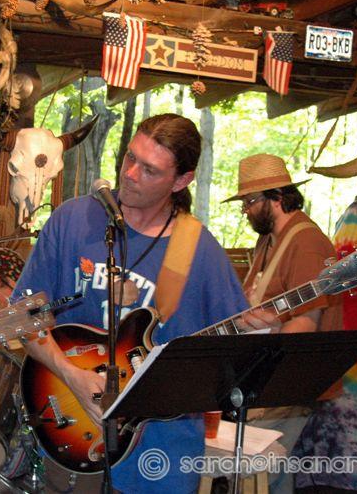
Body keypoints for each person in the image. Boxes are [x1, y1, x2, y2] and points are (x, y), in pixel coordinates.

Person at [13, 113, 249, 493]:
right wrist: (72, 376)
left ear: (181, 180)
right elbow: (24, 318)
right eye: (130, 158)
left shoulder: (199, 250)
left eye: (150, 170)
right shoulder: (73, 220)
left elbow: (235, 349)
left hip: (162, 456)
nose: (130, 174)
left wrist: (260, 329)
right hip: (71, 434)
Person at [225, 153, 342, 494]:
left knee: (262, 470)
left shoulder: (307, 243)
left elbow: (306, 325)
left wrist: (260, 376)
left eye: (250, 202)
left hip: (289, 378)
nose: (245, 210)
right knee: (263, 471)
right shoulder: (269, 239)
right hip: (269, 375)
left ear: (276, 197)